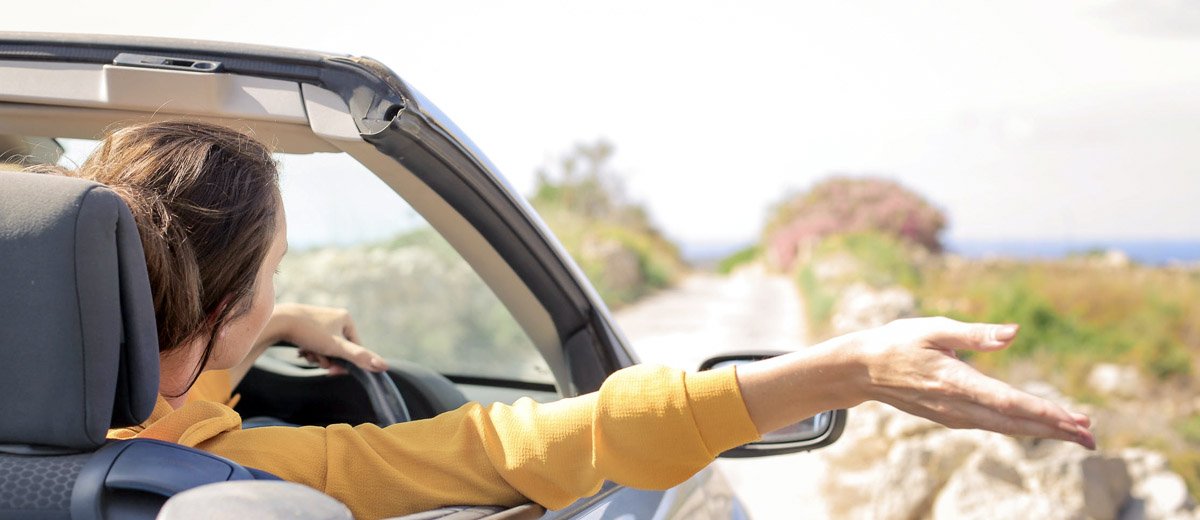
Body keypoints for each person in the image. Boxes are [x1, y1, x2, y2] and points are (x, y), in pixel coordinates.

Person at [65, 120, 1096, 519]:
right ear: (220, 308)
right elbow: (524, 441)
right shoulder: (238, 481)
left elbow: (171, 363)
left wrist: (279, 314)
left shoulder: (54, 413)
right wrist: (846, 371)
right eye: (272, 272)